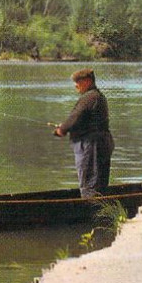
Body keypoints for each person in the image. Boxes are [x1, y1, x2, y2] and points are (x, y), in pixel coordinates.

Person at [53, 68, 114, 197]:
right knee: (98, 182)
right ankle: (101, 208)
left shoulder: (89, 97)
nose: (76, 86)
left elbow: (75, 117)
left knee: (90, 182)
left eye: (78, 82)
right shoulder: (97, 96)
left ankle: (92, 210)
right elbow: (82, 120)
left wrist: (61, 130)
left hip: (92, 145)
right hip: (100, 142)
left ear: (87, 81)